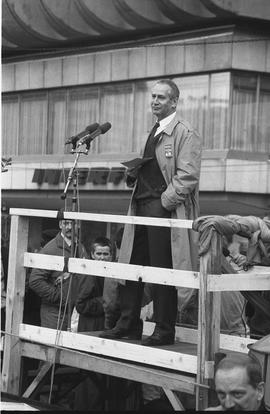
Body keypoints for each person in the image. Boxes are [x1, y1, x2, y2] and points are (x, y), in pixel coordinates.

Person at [100, 78, 202, 346]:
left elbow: (187, 177)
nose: (155, 101)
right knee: (132, 266)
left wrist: (164, 203)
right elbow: (152, 168)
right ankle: (128, 324)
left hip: (162, 211)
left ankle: (164, 329)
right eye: (153, 96)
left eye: (161, 97)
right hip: (141, 208)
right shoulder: (153, 130)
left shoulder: (185, 132)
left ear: (174, 102)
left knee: (162, 270)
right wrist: (133, 174)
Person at [29, 213, 86, 330]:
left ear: (78, 225)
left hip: (74, 313)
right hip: (55, 315)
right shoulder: (50, 248)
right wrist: (61, 299)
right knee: (51, 348)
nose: (70, 227)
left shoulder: (80, 247)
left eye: (73, 223)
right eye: (66, 223)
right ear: (60, 225)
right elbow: (35, 280)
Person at [76, 236, 113, 332]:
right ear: (92, 255)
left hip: (105, 324)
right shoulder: (88, 275)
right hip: (90, 326)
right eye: (99, 254)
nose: (102, 258)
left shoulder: (113, 273)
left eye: (105, 254)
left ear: (111, 256)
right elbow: (81, 305)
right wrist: (107, 301)